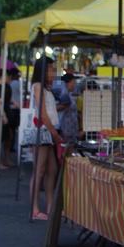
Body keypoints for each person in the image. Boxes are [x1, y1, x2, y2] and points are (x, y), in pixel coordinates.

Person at [24, 57, 61, 221]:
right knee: (39, 171)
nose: (53, 73)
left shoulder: (44, 88)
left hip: (47, 132)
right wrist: (55, 134)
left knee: (51, 170)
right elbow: (43, 114)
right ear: (43, 70)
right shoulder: (38, 86)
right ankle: (35, 209)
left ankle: (49, 206)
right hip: (43, 132)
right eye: (50, 69)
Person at [56, 73, 80, 144]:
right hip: (64, 129)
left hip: (72, 129)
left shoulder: (70, 95)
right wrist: (64, 106)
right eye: (73, 83)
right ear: (66, 83)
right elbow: (55, 108)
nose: (74, 85)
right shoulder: (61, 95)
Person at [0, 69, 14, 169]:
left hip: (7, 111)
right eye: (8, 76)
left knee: (9, 136)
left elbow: (8, 99)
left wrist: (14, 103)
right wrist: (3, 115)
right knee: (0, 138)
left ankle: (6, 159)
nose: (9, 78)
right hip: (0, 112)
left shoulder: (7, 86)